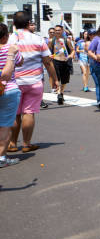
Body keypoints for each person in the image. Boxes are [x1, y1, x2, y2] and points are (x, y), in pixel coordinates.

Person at [7, 12, 59, 154]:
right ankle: (26, 144)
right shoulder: (38, 39)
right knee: (28, 112)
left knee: (15, 114)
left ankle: (11, 143)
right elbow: (48, 62)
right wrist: (55, 79)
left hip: (13, 82)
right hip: (34, 81)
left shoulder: (9, 39)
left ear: (13, 24)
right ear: (28, 23)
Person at [0, 23, 23, 167]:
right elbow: (20, 62)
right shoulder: (11, 49)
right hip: (9, 89)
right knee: (5, 126)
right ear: (5, 36)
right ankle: (1, 157)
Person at [50, 24, 75, 104]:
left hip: (65, 61)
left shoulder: (66, 40)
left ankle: (61, 92)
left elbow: (72, 50)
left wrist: (71, 56)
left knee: (64, 80)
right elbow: (47, 51)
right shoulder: (51, 41)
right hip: (55, 61)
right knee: (57, 79)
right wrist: (49, 56)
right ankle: (59, 94)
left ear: (62, 31)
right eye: (55, 30)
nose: (57, 32)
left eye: (58, 30)